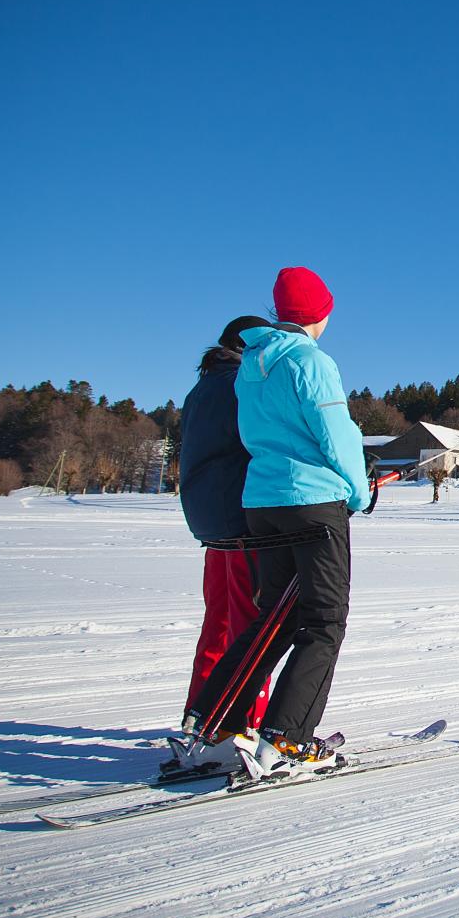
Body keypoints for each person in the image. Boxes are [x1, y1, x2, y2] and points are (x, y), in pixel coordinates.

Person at [188, 267, 371, 782]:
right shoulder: (311, 360)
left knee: (274, 619)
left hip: (262, 505)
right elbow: (336, 432)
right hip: (314, 505)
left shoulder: (252, 366)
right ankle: (286, 737)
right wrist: (358, 490)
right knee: (323, 622)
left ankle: (211, 722)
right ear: (321, 313)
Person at [164, 315, 272, 772]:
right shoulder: (240, 385)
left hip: (212, 527)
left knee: (219, 624)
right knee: (254, 626)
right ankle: (239, 727)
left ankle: (202, 719)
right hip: (244, 523)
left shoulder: (201, 389)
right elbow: (263, 442)